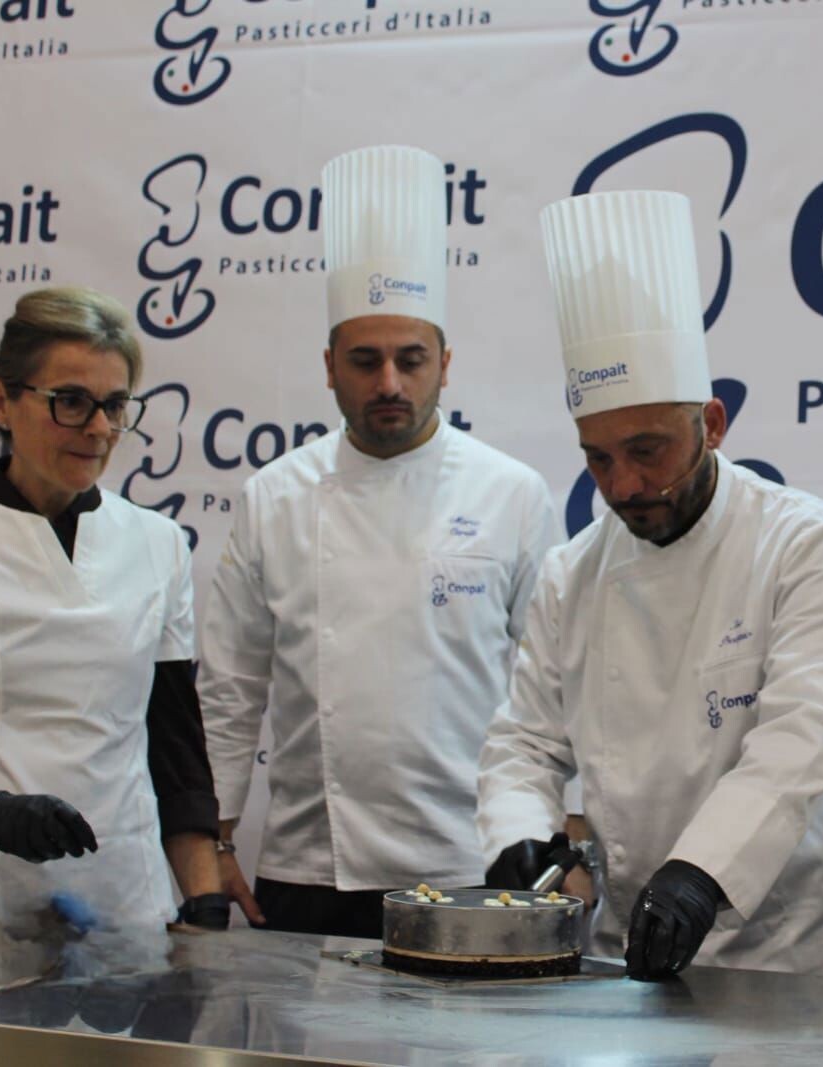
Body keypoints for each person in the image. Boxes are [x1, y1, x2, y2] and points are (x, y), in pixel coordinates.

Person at [477, 189, 823, 981]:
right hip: (635, 949)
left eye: (648, 450)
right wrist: (519, 835)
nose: (624, 485)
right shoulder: (572, 574)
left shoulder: (804, 544)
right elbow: (525, 741)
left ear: (712, 424)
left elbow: (800, 736)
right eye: (598, 458)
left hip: (798, 948)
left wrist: (702, 872)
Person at [198, 145, 557, 939]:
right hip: (309, 866)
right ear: (329, 367)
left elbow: (553, 690)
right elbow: (230, 687)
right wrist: (213, 838)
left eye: (410, 359)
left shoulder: (513, 493)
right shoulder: (274, 497)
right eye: (365, 360)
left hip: (472, 860)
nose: (389, 382)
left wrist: (561, 833)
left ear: (446, 365)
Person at [0, 287, 226, 1000]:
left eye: (115, 405)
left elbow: (175, 746)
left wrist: (203, 896)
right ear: (1, 401)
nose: (98, 428)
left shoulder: (158, 544)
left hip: (122, 900)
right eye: (71, 401)